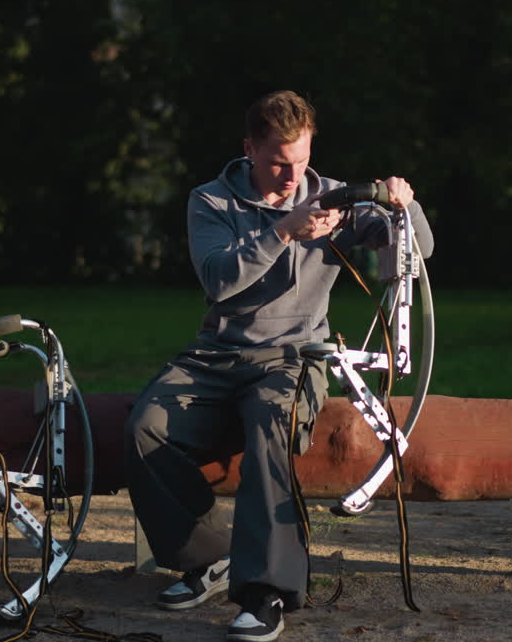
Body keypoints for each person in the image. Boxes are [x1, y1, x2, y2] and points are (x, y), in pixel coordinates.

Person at [124, 90, 434, 642]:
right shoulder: (211, 200)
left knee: (272, 424)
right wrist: (283, 230)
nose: (292, 175)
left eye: (301, 160)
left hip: (295, 357)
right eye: (276, 162)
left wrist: (404, 205)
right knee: (145, 426)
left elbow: (420, 251)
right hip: (215, 354)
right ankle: (210, 557)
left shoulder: (335, 199)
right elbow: (218, 279)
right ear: (249, 150)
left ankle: (267, 592)